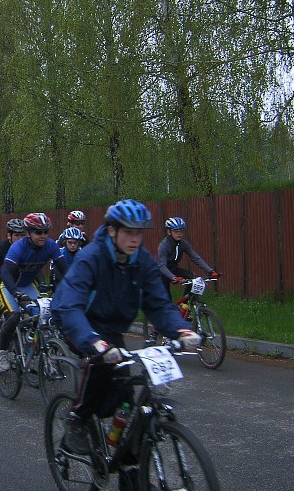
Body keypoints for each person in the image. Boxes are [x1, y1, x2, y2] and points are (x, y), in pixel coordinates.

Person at [51, 199, 201, 488]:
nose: (135, 239)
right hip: (78, 322)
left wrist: (181, 331)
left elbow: (158, 304)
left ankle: (128, 460)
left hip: (112, 328)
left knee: (127, 395)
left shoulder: (141, 260)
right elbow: (70, 307)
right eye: (128, 232)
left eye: (139, 232)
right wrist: (94, 342)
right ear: (111, 231)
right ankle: (77, 418)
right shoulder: (91, 257)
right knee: (102, 366)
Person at [0, 212, 68, 372]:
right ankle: (2, 353)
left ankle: (31, 348)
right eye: (38, 232)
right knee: (14, 316)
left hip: (28, 285)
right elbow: (6, 272)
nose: (42, 236)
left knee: (42, 316)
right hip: (9, 286)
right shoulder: (18, 247)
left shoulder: (50, 245)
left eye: (45, 232)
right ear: (28, 233)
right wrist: (15, 293)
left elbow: (65, 270)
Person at [149, 217, 219, 345]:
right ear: (169, 232)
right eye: (176, 231)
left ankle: (183, 306)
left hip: (173, 270)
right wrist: (174, 278)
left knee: (192, 278)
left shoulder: (183, 244)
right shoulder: (164, 245)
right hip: (160, 273)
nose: (179, 233)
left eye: (181, 230)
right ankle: (154, 332)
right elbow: (162, 266)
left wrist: (210, 271)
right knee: (165, 303)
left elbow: (195, 257)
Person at [0, 218, 27, 339]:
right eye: (17, 235)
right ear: (9, 236)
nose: (20, 238)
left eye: (22, 235)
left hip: (14, 280)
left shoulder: (26, 248)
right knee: (2, 298)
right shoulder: (1, 248)